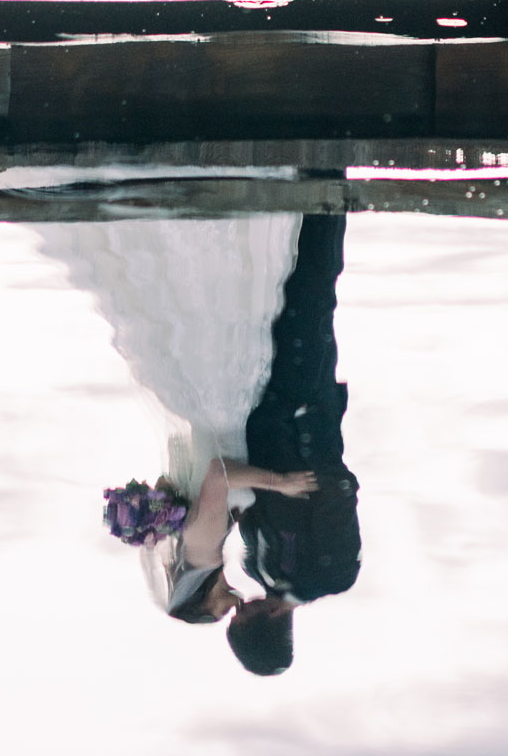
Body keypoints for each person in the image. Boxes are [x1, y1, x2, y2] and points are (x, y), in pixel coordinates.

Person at [37, 214, 317, 621]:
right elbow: (179, 449)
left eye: (218, 611)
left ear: (200, 598)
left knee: (223, 305)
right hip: (203, 408)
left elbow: (219, 475)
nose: (231, 606)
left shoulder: (202, 552)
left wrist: (282, 484)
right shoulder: (191, 544)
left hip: (221, 406)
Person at [227, 214, 362, 677]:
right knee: (311, 296)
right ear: (263, 624)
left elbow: (252, 506)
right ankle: (325, 197)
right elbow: (342, 492)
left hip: (260, 412)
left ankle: (287, 199)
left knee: (269, 294)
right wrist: (292, 476)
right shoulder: (332, 576)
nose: (235, 608)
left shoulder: (254, 571)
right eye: (240, 618)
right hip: (305, 410)